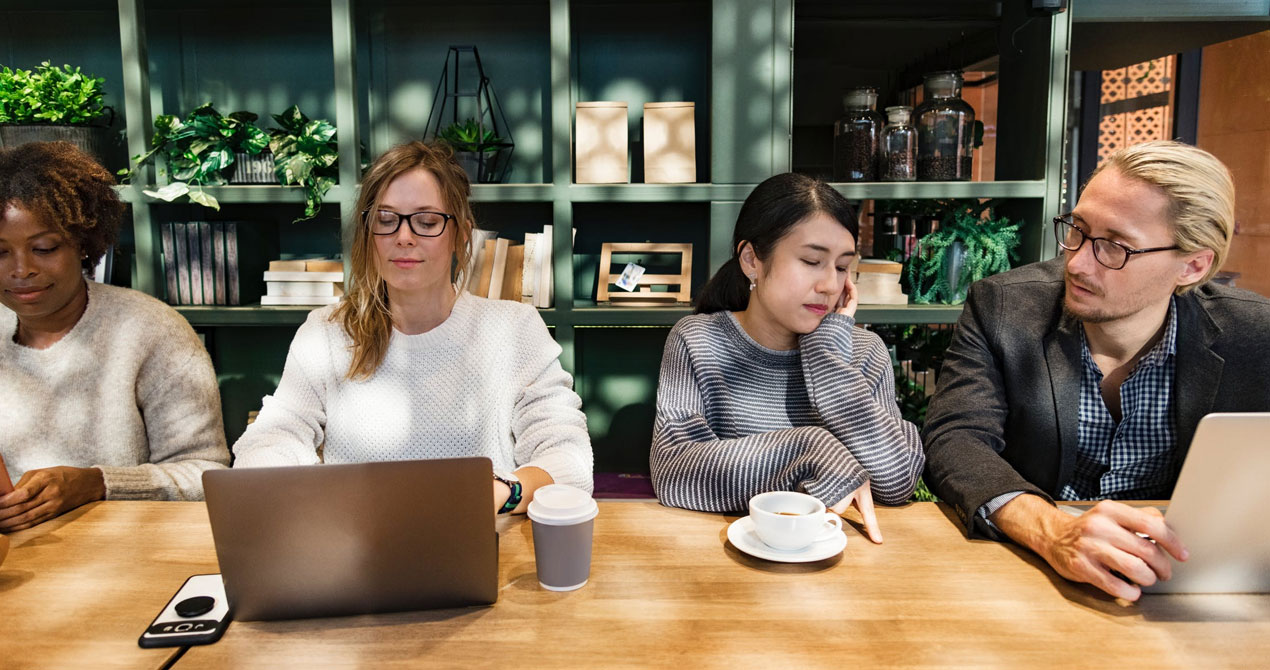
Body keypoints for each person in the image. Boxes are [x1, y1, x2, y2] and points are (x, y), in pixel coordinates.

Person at [923, 140, 1270, 600]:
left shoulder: (1255, 335)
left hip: (1189, 580)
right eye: (1078, 230)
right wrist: (1051, 530)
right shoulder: (1004, 306)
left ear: (1192, 265)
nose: (1078, 262)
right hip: (1032, 573)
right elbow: (955, 439)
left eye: (1114, 247)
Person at [231, 141, 592, 513]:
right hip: (357, 540)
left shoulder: (514, 329)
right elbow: (273, 436)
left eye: (427, 221)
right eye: (386, 220)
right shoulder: (326, 331)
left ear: (462, 234)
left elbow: (568, 457)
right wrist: (278, 479)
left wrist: (504, 492)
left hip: (483, 535)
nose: (404, 236)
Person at [650, 173, 924, 542]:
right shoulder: (699, 340)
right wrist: (810, 449)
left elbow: (898, 480)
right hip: (727, 555)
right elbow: (674, 470)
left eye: (842, 267)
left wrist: (826, 354)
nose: (830, 285)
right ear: (752, 260)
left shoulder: (862, 352)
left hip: (839, 558)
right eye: (812, 261)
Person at [0, 141, 230, 532]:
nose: (21, 270)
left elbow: (205, 475)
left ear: (83, 244)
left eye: (44, 248)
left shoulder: (151, 332)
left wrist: (97, 484)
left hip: (128, 552)